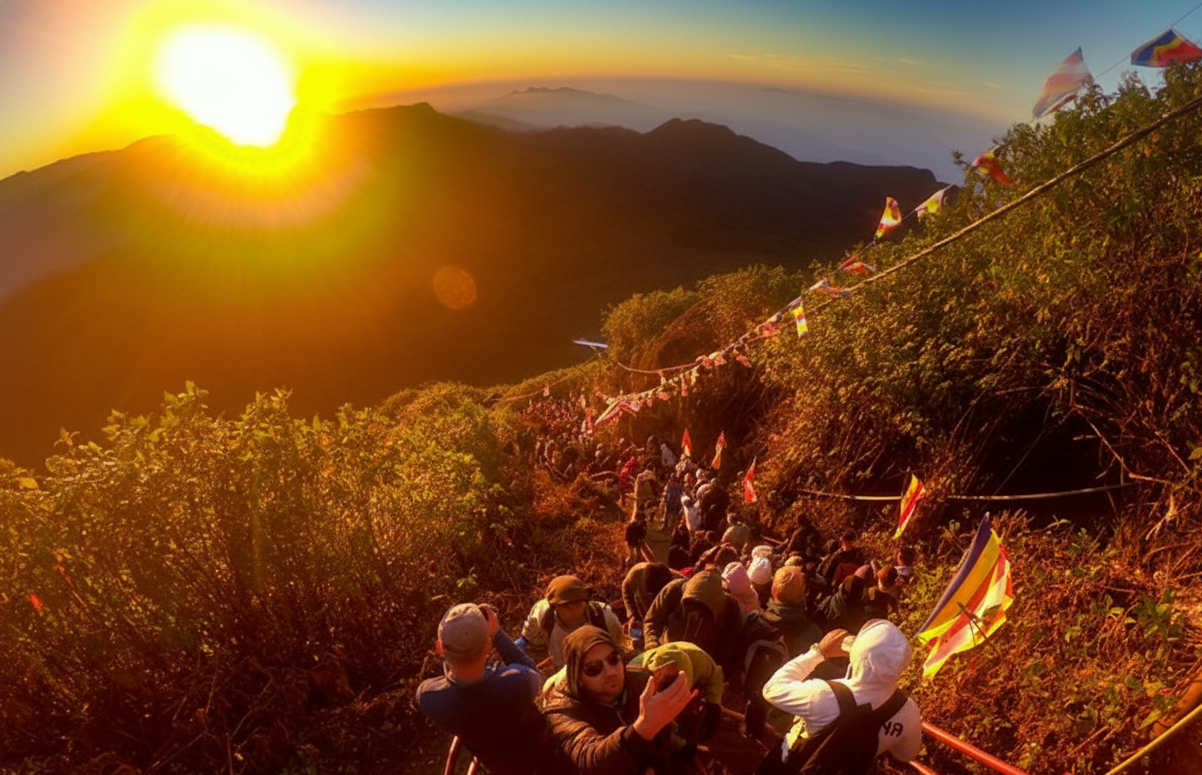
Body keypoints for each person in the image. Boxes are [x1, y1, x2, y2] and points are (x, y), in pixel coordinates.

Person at [759, 620, 922, 773]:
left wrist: (817, 653)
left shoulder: (825, 695)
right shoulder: (908, 711)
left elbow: (771, 689)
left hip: (788, 767)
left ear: (858, 654)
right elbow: (905, 755)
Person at [541, 625, 698, 774]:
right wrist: (644, 727)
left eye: (613, 659)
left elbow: (664, 735)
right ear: (577, 677)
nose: (610, 672)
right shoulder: (561, 711)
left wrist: (653, 765)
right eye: (593, 668)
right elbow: (591, 761)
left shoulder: (641, 681)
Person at [416, 603, 546, 775]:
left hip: (495, 764)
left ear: (440, 647)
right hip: (539, 753)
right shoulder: (517, 681)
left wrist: (456, 655)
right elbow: (534, 673)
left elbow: (454, 682)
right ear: (488, 645)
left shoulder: (429, 697)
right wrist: (498, 635)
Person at [741, 567, 824, 739]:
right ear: (802, 594)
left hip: (749, 684)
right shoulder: (812, 633)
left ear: (773, 590)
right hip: (782, 700)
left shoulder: (755, 619)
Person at [643, 569, 745, 675]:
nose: (694, 611)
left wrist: (709, 675)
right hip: (665, 656)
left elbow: (729, 651)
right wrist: (653, 648)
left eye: (700, 609)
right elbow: (652, 621)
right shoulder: (673, 590)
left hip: (700, 668)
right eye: (691, 605)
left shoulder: (730, 610)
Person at [519, 575, 624, 669]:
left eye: (578, 603)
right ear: (555, 607)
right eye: (567, 607)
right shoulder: (543, 613)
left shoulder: (603, 616)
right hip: (561, 668)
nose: (574, 610)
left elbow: (615, 642)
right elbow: (526, 638)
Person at [622, 562, 680, 627]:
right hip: (638, 590)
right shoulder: (642, 593)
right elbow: (650, 621)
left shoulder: (677, 579)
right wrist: (632, 616)